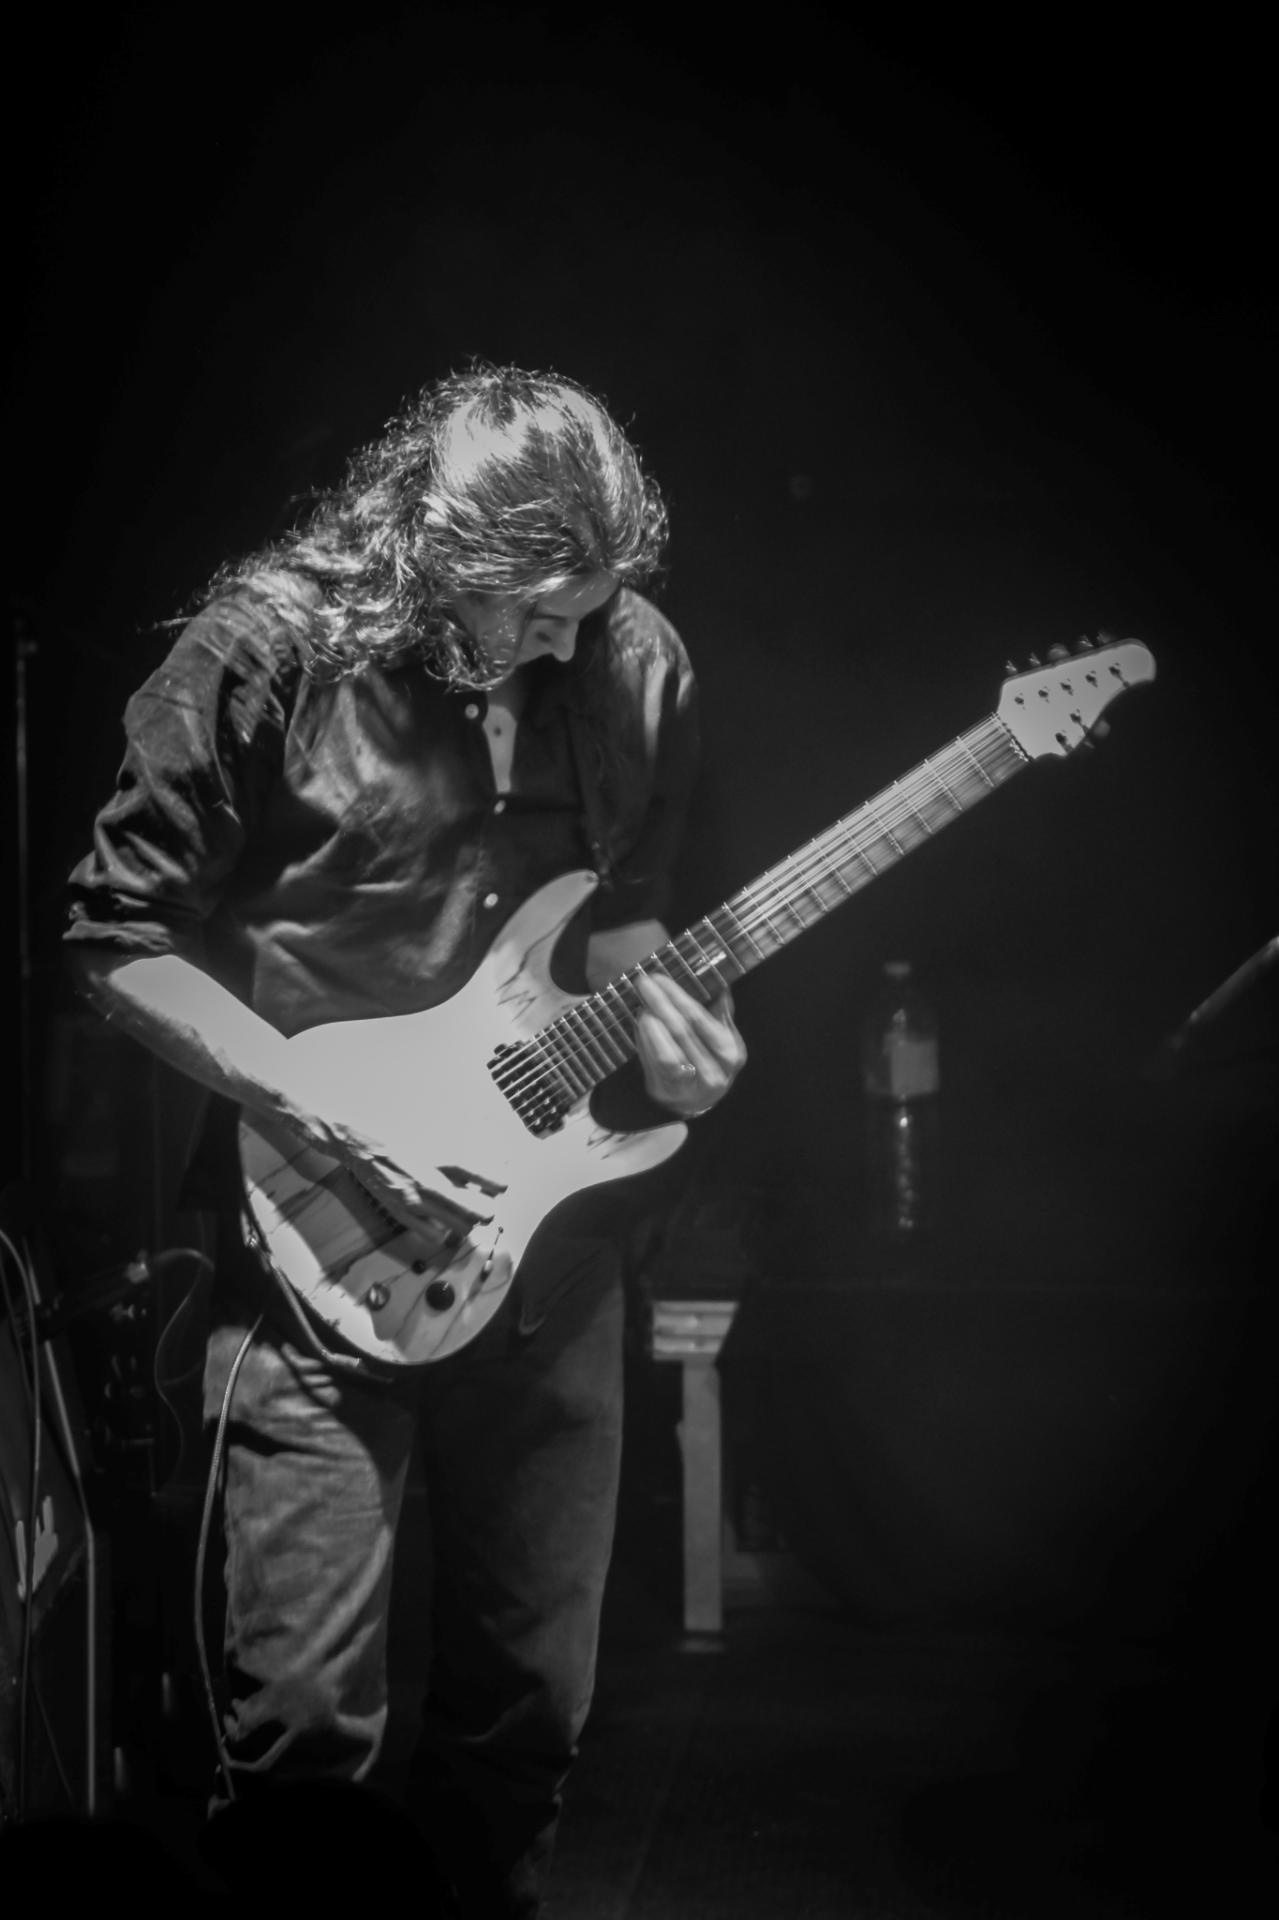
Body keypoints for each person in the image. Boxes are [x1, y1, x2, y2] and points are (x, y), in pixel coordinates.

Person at [64, 364, 747, 1915]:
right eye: (537, 611)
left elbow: (625, 923)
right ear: (442, 552)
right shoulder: (263, 652)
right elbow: (114, 941)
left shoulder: (636, 659)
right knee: (299, 1734)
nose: (566, 642)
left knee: (530, 1717)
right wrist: (321, 1107)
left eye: (588, 610)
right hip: (313, 1250)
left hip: (550, 1256)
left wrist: (687, 1054)